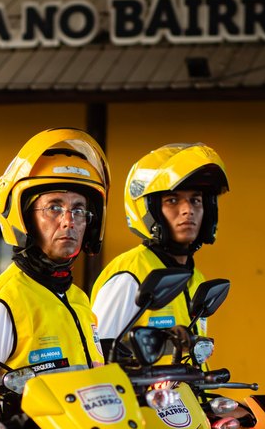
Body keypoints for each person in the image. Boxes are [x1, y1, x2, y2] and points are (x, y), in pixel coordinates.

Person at [0, 128, 109, 390]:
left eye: (78, 210)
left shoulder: (79, 300)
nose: (69, 221)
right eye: (54, 207)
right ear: (25, 219)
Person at [91, 142, 229, 354]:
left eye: (196, 201)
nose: (188, 210)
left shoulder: (196, 278)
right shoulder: (130, 274)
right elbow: (99, 355)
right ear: (150, 211)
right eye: (173, 200)